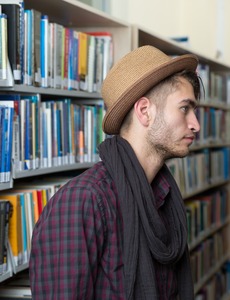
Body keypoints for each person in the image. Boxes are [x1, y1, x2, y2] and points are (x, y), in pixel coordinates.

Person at [29, 45, 202, 299]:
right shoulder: (83, 201)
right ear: (145, 112)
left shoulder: (164, 198)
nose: (195, 124)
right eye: (185, 108)